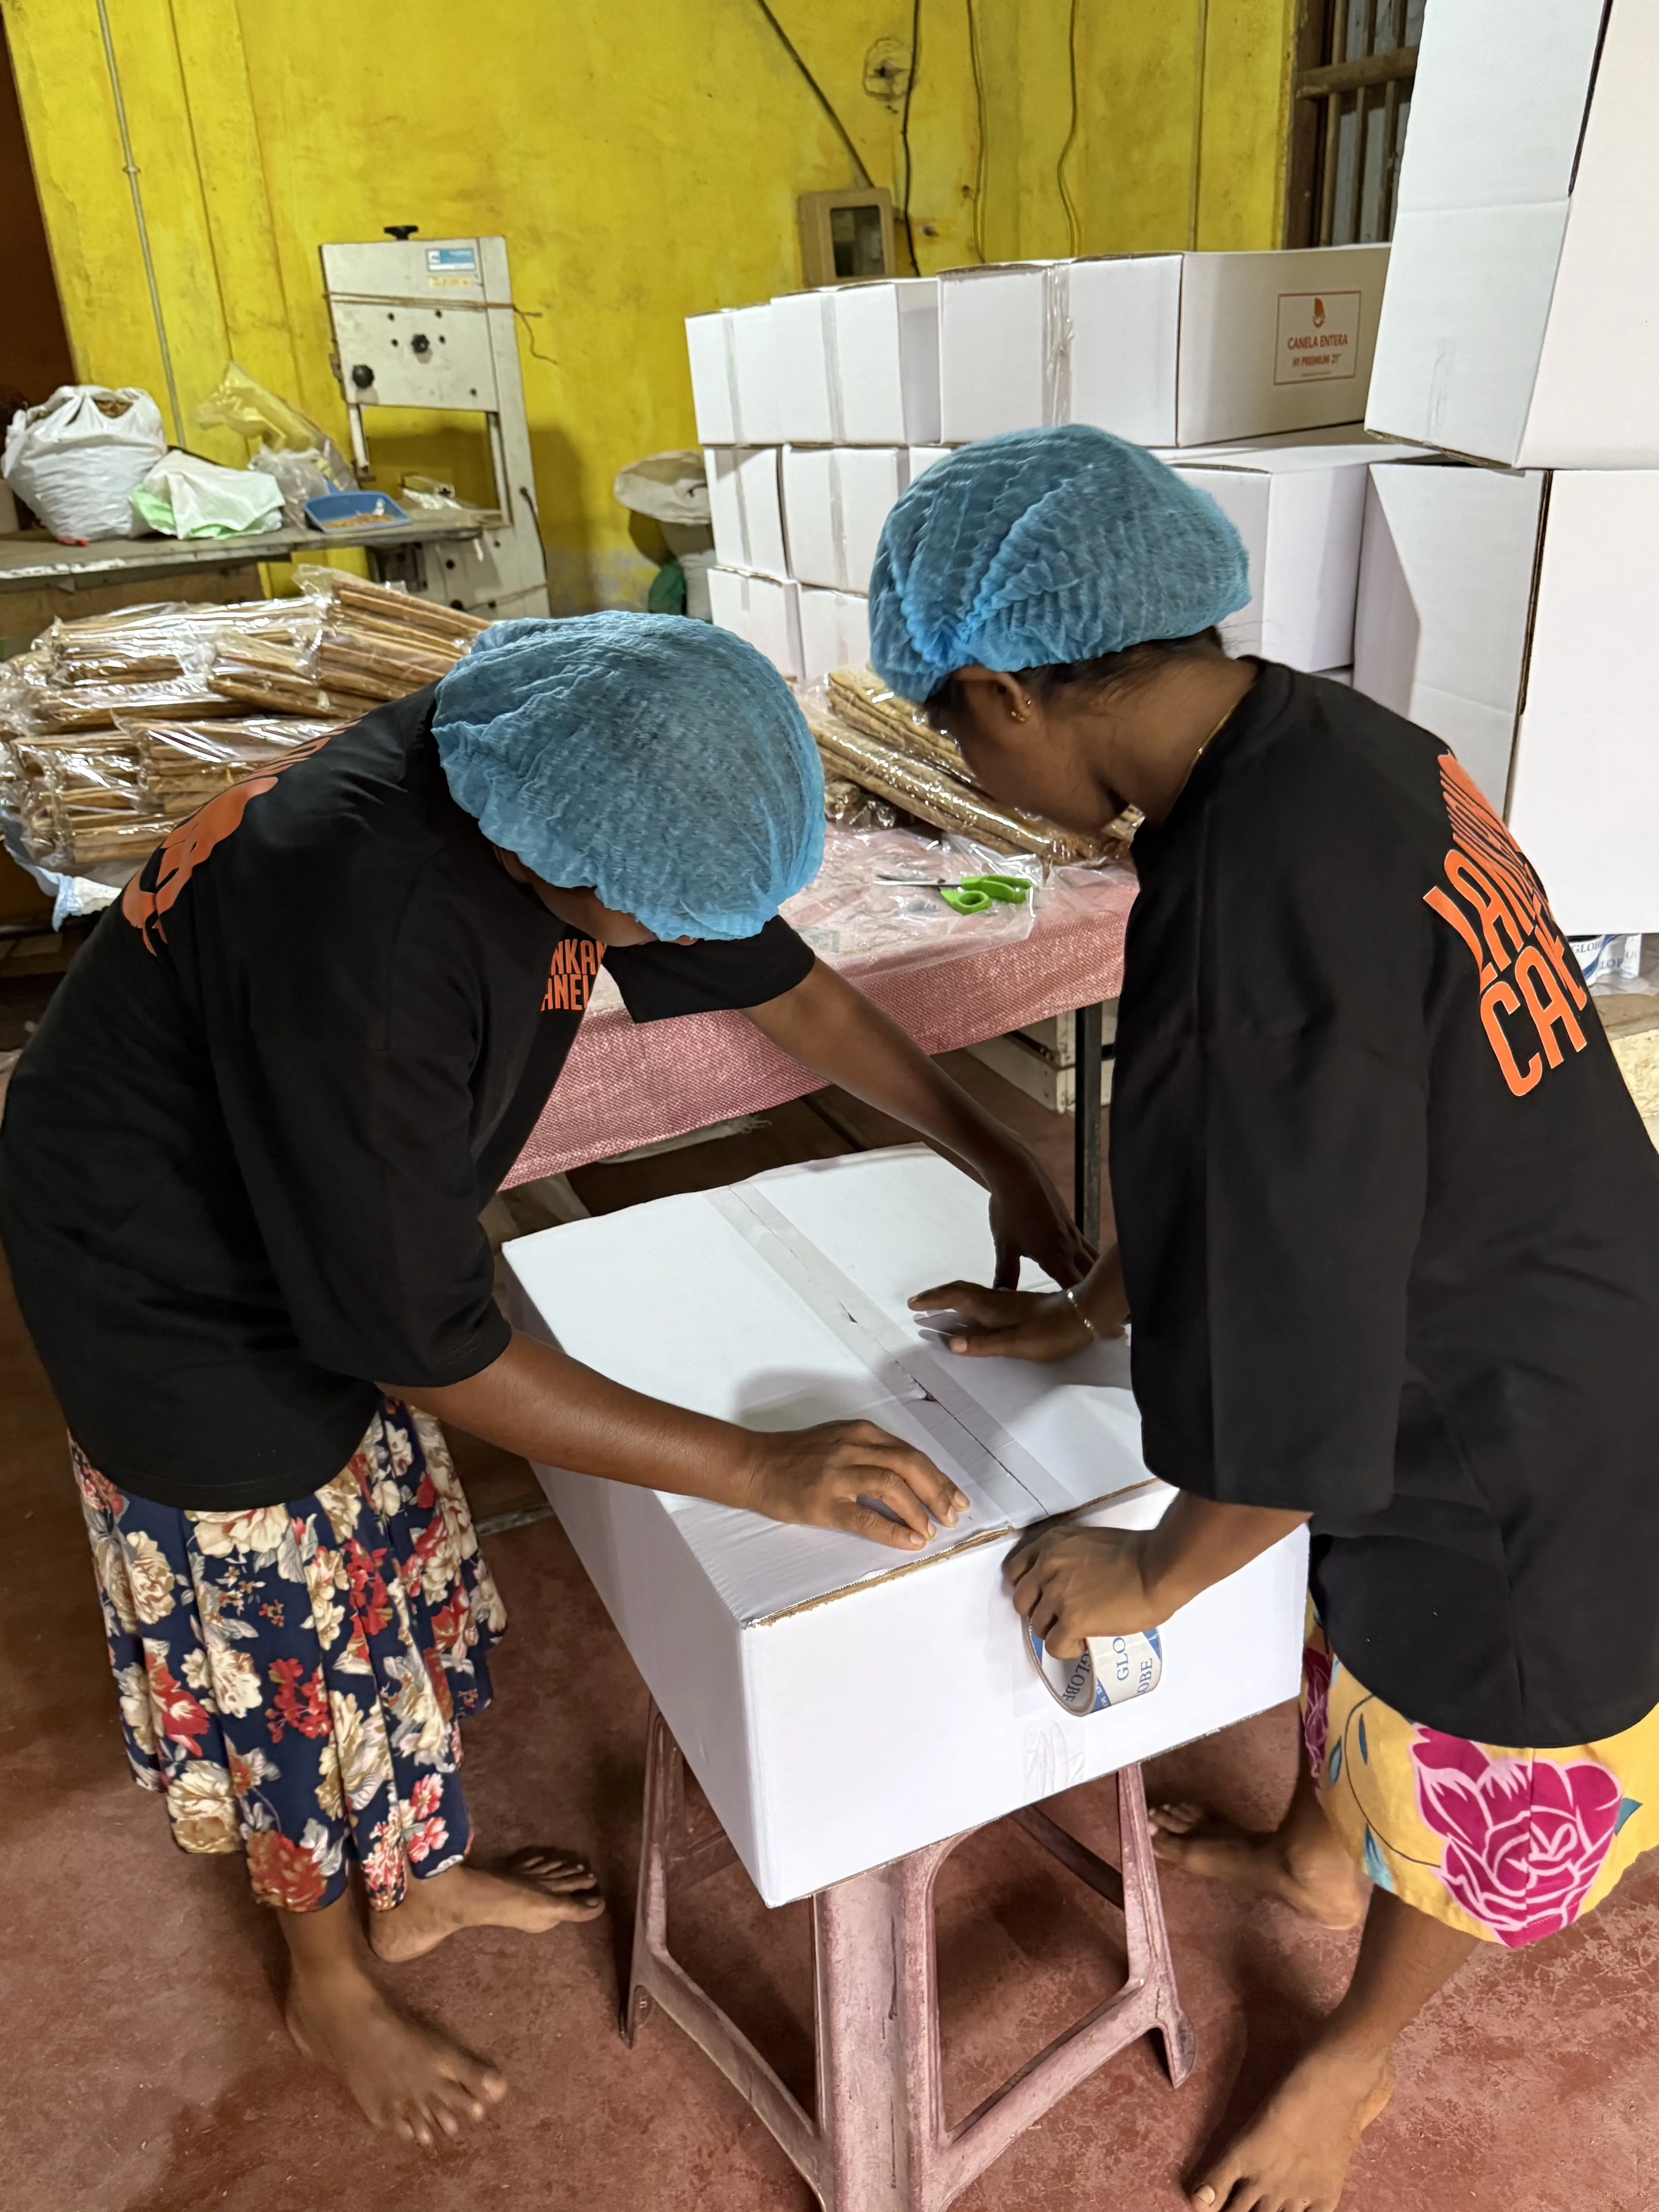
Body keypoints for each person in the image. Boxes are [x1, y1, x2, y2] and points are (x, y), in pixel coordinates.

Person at [0, 612, 1088, 2148]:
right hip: (161, 1278)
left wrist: (987, 1150)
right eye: (646, 924)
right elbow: (418, 1345)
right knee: (277, 1637)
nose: (664, 942)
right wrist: (763, 1470)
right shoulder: (369, 932)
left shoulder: (547, 764)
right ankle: (330, 1969)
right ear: (562, 873)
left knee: (367, 1559)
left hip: (298, 1203)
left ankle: (420, 1885)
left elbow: (788, 981)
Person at [868, 427, 1659, 2212]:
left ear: (1005, 690)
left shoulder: (1256, 891)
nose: (969, 765)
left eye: (955, 733)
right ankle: (1317, 1857)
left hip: (1515, 1402)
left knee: (1479, 1735)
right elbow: (1256, 1122)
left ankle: (1360, 2048)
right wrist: (1106, 1300)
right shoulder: (1320, 742)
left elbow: (1308, 1332)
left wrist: (1149, 1577)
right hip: (1543, 1262)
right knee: (1359, 1651)